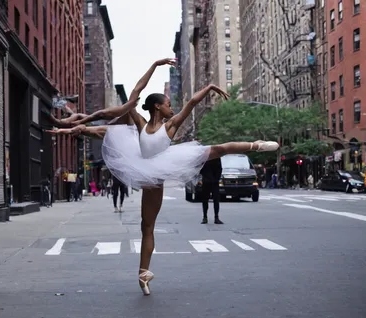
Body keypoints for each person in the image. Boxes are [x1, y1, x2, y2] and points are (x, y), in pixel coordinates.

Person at [46, 58, 279, 296]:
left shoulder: (171, 126)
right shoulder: (139, 123)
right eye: (168, 104)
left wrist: (209, 88)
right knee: (147, 226)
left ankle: (256, 145)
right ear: (157, 106)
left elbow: (192, 103)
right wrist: (155, 65)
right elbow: (136, 92)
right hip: (145, 169)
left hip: (167, 162)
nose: (172, 108)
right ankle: (143, 273)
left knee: (219, 148)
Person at [199, 156, 223, 224]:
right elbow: (201, 169)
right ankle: (205, 217)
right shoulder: (204, 158)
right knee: (205, 200)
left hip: (214, 182)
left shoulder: (216, 157)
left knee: (216, 200)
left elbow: (220, 169)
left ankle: (216, 217)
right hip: (207, 181)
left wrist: (216, 179)